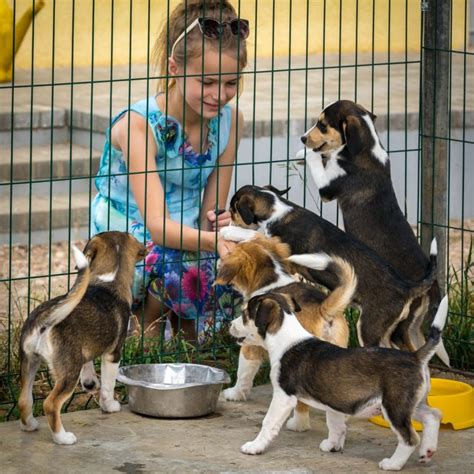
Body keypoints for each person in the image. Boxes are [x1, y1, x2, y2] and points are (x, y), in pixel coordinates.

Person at [91, 0, 249, 341]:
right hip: (127, 237)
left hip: (187, 231)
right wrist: (214, 242)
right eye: (207, 82)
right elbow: (158, 227)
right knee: (179, 260)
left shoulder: (231, 122)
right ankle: (144, 344)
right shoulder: (139, 125)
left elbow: (211, 211)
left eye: (230, 83)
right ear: (175, 68)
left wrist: (220, 225)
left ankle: (186, 350)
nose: (219, 95)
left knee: (214, 262)